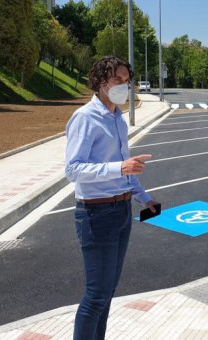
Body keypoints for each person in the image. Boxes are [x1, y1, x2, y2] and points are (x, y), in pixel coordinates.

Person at [65, 56, 159, 340]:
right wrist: (119, 167)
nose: (124, 85)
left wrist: (144, 198)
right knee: (96, 295)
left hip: (121, 210)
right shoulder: (85, 118)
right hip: (96, 215)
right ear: (101, 82)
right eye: (118, 80)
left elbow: (125, 167)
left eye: (127, 80)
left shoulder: (118, 118)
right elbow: (73, 169)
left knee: (108, 292)